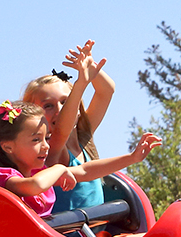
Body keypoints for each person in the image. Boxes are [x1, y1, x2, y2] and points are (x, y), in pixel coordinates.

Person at [0, 101, 161, 234]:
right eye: (36, 139)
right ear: (8, 146)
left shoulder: (42, 172)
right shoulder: (3, 177)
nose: (46, 145)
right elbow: (34, 186)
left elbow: (85, 171)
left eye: (47, 138)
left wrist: (131, 158)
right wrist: (59, 169)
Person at [23, 40, 117, 214]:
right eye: (48, 106)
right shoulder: (47, 149)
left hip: (95, 230)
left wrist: (90, 66)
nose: (60, 110)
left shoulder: (83, 135)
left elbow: (106, 91)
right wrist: (81, 84)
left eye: (65, 102)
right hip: (70, 235)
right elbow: (61, 131)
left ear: (78, 107)